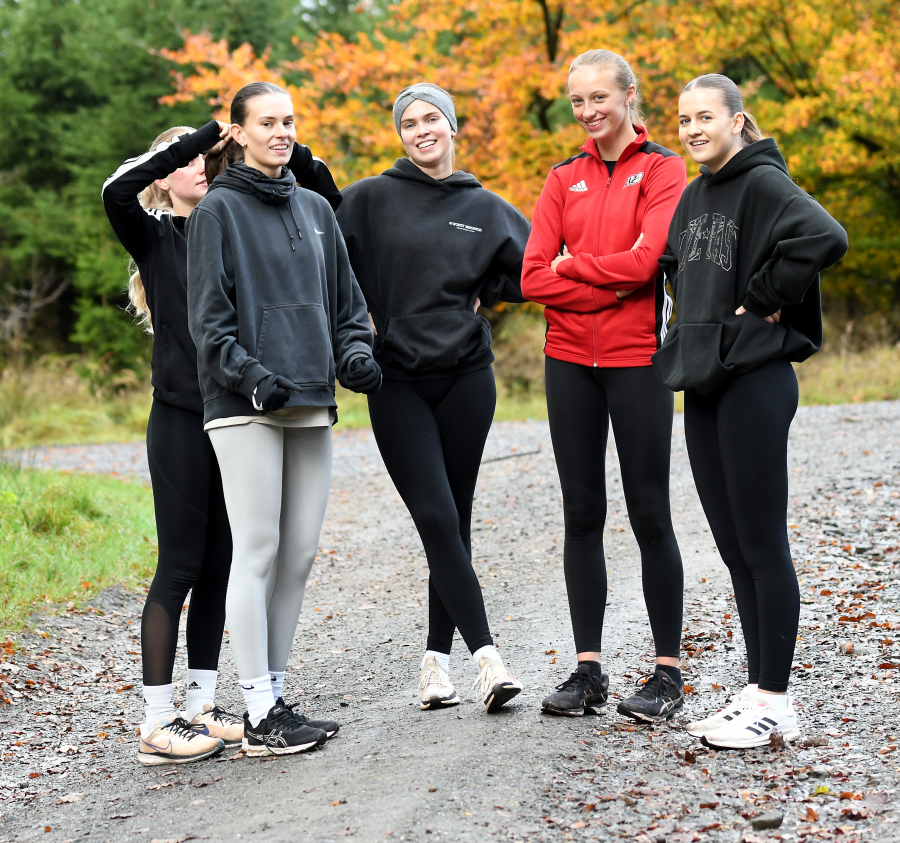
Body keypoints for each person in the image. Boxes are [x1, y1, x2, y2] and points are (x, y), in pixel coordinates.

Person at [102, 118, 344, 764]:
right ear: (165, 171)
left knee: (221, 563)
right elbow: (115, 191)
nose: (199, 167)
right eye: (186, 161)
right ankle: (157, 719)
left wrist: (281, 141)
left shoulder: (230, 227)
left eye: (210, 159)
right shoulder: (155, 236)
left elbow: (323, 197)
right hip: (180, 417)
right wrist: (202, 134)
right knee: (180, 562)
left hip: (234, 414)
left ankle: (202, 704)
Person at [652, 74, 848, 748]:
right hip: (704, 380)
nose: (694, 128)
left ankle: (776, 699)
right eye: (684, 119)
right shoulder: (693, 194)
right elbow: (677, 267)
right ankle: (756, 688)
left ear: (739, 121)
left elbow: (826, 235)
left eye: (706, 116)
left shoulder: (763, 182)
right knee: (735, 548)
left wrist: (765, 295)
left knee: (763, 544)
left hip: (756, 377)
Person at [187, 81, 379, 756]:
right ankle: (259, 710)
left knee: (297, 554)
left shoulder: (315, 208)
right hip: (246, 405)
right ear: (237, 132)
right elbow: (208, 323)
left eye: (289, 120)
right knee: (260, 548)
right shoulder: (217, 211)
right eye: (267, 122)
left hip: (309, 402)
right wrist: (253, 377)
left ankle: (275, 693)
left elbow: (348, 306)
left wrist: (354, 356)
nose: (281, 132)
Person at [336, 83, 531, 712]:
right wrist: (356, 321)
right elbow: (326, 263)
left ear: (452, 126)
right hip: (396, 381)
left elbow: (534, 268)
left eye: (431, 119)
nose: (421, 130)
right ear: (400, 135)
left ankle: (433, 663)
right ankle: (488, 659)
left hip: (467, 377)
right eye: (409, 123)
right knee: (437, 518)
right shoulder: (367, 199)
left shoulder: (486, 205)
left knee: (455, 519)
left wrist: (490, 291)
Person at [521, 50, 688, 721]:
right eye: (578, 102)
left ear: (629, 96)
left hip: (638, 360)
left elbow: (650, 262)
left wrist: (577, 269)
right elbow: (533, 276)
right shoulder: (564, 177)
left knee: (650, 510)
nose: (590, 113)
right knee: (581, 512)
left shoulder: (664, 168)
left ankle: (667, 673)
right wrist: (607, 283)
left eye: (600, 98)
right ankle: (588, 671)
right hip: (567, 363)